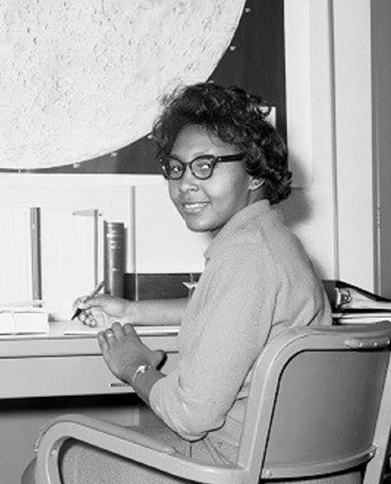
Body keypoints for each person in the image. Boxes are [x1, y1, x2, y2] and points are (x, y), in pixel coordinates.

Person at [22, 81, 334, 484]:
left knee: (49, 462)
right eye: (175, 167)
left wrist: (133, 366)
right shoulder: (268, 242)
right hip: (289, 464)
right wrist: (132, 311)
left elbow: (191, 417)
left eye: (205, 165)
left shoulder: (246, 256)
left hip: (230, 468)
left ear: (254, 172)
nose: (185, 183)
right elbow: (227, 311)